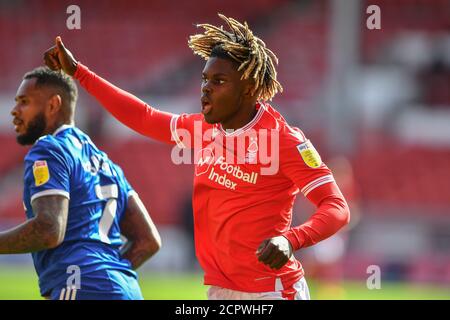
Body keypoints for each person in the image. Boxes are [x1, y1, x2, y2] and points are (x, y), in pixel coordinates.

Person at [44, 14, 350, 300]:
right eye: (205, 79)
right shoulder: (202, 129)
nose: (206, 89)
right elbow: (144, 116)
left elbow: (337, 207)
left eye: (219, 82)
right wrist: (78, 73)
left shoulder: (284, 140)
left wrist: (291, 240)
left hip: (272, 291)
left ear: (249, 88)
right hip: (218, 289)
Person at [2, 67, 161, 300]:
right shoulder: (107, 164)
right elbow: (148, 241)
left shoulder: (50, 148)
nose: (14, 111)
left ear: (53, 105)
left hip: (78, 286)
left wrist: (91, 279)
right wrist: (106, 276)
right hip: (127, 291)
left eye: (24, 102)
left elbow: (49, 230)